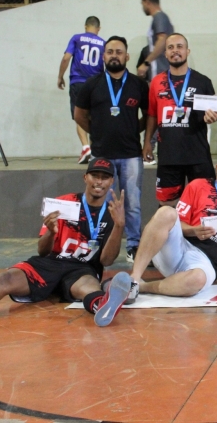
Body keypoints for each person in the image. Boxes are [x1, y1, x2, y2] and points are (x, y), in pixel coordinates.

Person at [0, 158, 132, 330]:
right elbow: (42, 250)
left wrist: (119, 226)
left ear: (111, 181)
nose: (99, 181)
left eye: (104, 177)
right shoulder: (65, 203)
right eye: (94, 175)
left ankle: (102, 305)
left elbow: (106, 259)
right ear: (85, 177)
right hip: (50, 263)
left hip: (83, 269)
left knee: (88, 287)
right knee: (5, 279)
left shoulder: (114, 212)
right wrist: (51, 233)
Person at [128, 145, 217, 299]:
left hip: (206, 263)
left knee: (197, 279)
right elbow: (176, 224)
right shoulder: (197, 185)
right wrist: (193, 230)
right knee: (166, 212)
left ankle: (143, 287)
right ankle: (133, 280)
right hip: (179, 249)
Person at [74, 36, 149, 263]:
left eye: (119, 52)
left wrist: (142, 139)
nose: (114, 55)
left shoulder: (138, 84)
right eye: (110, 52)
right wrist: (97, 132)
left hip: (131, 155)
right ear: (103, 56)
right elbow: (79, 115)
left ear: (126, 56)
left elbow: (149, 116)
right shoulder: (91, 84)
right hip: (101, 156)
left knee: (132, 203)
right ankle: (103, 242)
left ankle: (134, 245)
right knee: (101, 201)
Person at [143, 33, 217, 207]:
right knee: (167, 207)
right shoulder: (157, 82)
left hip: (198, 155)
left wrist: (214, 116)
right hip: (168, 156)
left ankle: (197, 235)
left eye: (179, 47)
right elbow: (153, 115)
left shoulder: (202, 81)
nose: (175, 51)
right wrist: (147, 141)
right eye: (170, 47)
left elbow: (215, 111)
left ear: (187, 51)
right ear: (165, 53)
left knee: (205, 204)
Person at [57, 16, 105, 164]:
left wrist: (60, 76)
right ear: (98, 28)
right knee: (95, 117)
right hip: (96, 83)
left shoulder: (77, 38)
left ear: (85, 26)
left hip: (78, 82)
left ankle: (86, 147)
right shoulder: (103, 43)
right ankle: (95, 148)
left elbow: (66, 58)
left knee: (79, 115)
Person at [137, 0, 174, 80]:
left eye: (142, 4)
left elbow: (162, 39)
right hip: (160, 71)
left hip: (161, 70)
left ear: (147, 1)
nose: (143, 7)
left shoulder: (159, 17)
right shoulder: (160, 18)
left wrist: (146, 63)